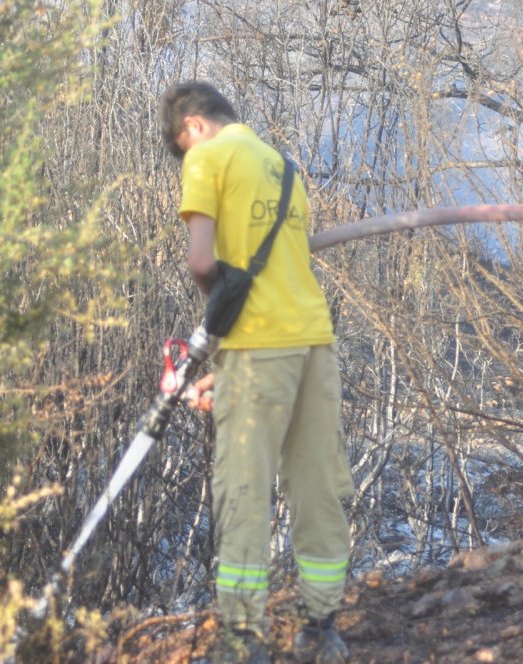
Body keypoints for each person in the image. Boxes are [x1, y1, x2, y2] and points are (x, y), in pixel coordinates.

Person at [159, 81, 354, 663]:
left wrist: (219, 342)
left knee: (244, 488)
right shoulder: (282, 166)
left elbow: (202, 262)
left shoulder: (207, 159)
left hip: (256, 347)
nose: (185, 155)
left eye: (181, 145)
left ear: (191, 126)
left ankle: (243, 642)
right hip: (314, 343)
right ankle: (321, 629)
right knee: (318, 485)